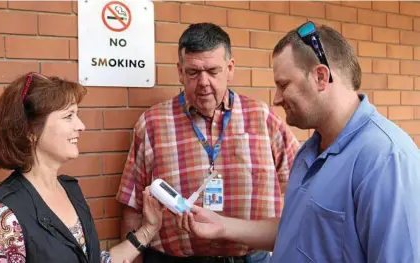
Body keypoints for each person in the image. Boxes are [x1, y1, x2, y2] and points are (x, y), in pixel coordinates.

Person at [178, 21, 420, 263]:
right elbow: (295, 230)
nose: (276, 99)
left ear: (320, 78)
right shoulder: (307, 153)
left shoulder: (387, 159)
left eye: (283, 85)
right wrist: (222, 226)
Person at [116, 23, 300, 263]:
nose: (203, 82)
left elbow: (301, 189)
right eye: (193, 72)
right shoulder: (152, 124)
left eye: (213, 71)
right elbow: (133, 206)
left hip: (250, 258)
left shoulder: (263, 118)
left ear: (230, 69)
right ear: (180, 72)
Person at [0, 72, 166, 263]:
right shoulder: (1, 215)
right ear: (30, 131)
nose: (81, 125)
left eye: (77, 114)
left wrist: (148, 229)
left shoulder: (70, 189)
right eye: (68, 116)